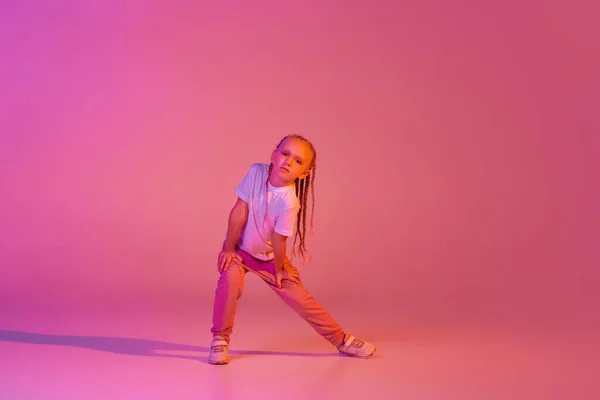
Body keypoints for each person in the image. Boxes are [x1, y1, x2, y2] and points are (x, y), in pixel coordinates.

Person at [208, 134, 376, 365]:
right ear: (274, 155)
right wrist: (228, 248)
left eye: (298, 161)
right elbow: (239, 211)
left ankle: (341, 340)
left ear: (304, 173)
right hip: (239, 251)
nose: (288, 162)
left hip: (271, 259)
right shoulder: (256, 172)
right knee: (229, 283)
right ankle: (220, 338)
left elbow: (279, 241)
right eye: (285, 154)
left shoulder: (289, 202)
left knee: (301, 299)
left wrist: (280, 268)